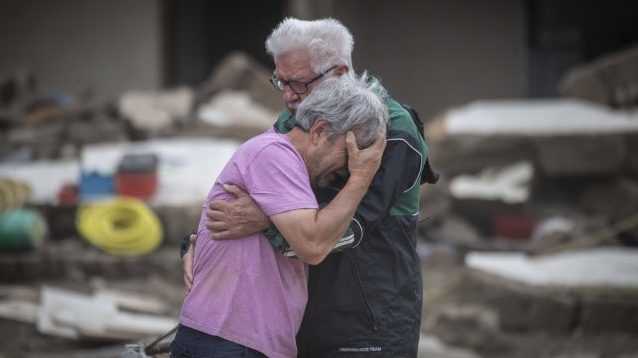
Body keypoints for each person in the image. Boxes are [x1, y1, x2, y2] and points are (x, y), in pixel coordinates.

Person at [183, 18, 435, 357]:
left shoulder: (389, 132)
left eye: (298, 84)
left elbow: (345, 230)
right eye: (281, 81)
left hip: (369, 326)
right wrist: (201, 241)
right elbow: (258, 190)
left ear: (340, 72)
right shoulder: (298, 116)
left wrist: (267, 219)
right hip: (303, 321)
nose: (288, 96)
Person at [171, 75, 388, 358]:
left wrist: (266, 219)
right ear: (320, 131)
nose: (348, 168)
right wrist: (362, 177)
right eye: (348, 155)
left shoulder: (287, 165)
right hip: (227, 343)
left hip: (243, 343)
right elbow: (312, 245)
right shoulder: (274, 155)